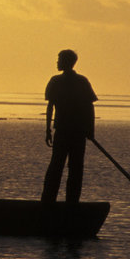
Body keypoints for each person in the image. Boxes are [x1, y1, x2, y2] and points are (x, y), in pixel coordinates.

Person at [42, 49, 98, 204]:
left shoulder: (80, 81)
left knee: (73, 167)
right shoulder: (57, 81)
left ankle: (70, 202)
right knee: (60, 166)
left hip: (75, 132)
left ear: (67, 62)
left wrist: (90, 130)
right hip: (64, 131)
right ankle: (49, 200)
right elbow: (50, 107)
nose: (57, 62)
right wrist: (48, 130)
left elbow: (89, 107)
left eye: (59, 59)